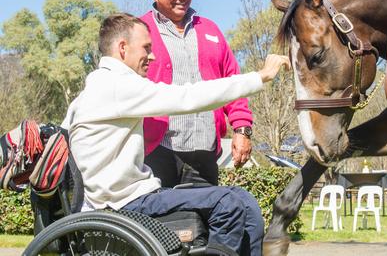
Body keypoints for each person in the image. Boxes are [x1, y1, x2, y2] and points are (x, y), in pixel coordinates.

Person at [62, 13, 290, 256]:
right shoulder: (117, 85)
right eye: (146, 48)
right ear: (122, 48)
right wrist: (260, 76)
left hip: (131, 198)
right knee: (229, 204)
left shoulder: (96, 88)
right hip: (124, 205)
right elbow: (188, 97)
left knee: (243, 200)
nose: (152, 55)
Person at [140, 0, 253, 187]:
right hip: (156, 150)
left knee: (202, 220)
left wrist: (242, 129)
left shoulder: (210, 30)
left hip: (204, 151)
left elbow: (233, 84)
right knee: (157, 221)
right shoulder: (139, 31)